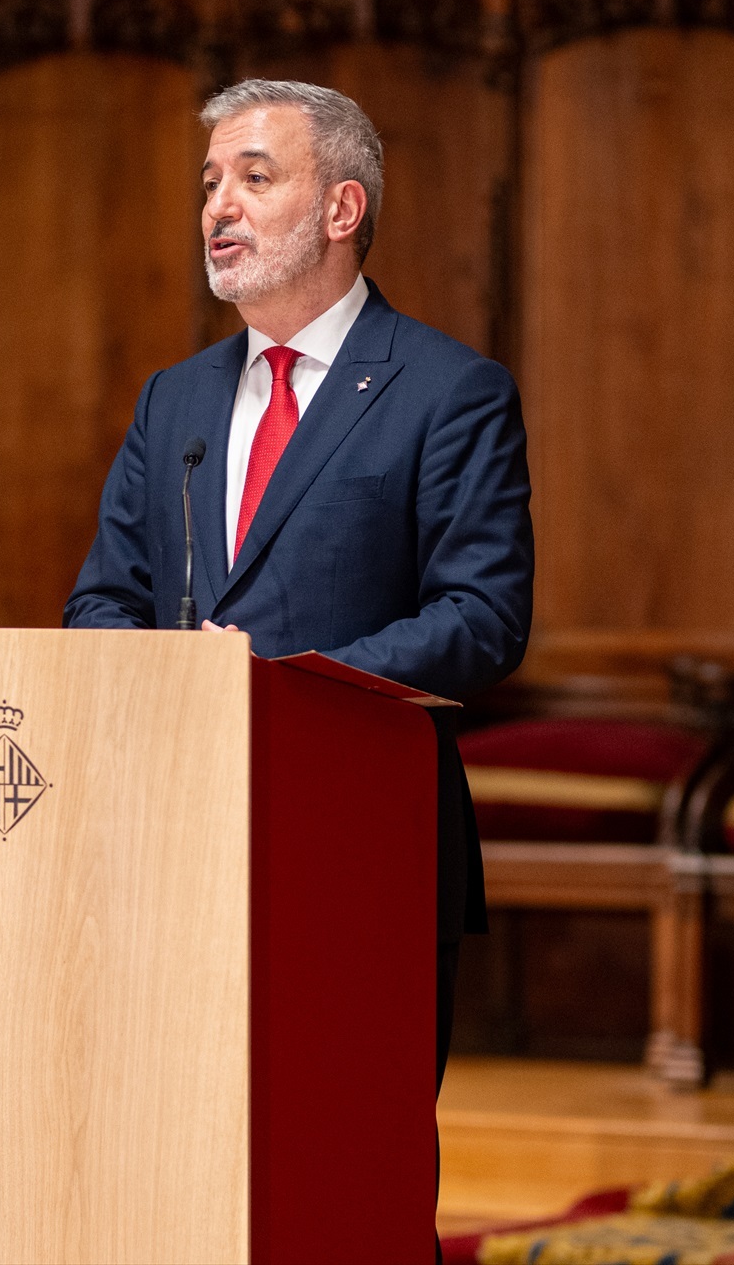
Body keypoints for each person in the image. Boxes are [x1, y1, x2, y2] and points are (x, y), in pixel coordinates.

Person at [64, 79, 534, 1085]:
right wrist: (170, 677)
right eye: (210, 183)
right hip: (173, 847)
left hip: (363, 851)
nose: (218, 207)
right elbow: (103, 598)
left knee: (351, 1177)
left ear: (340, 209)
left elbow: (481, 618)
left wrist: (282, 682)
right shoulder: (173, 398)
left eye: (254, 177)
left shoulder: (450, 392)